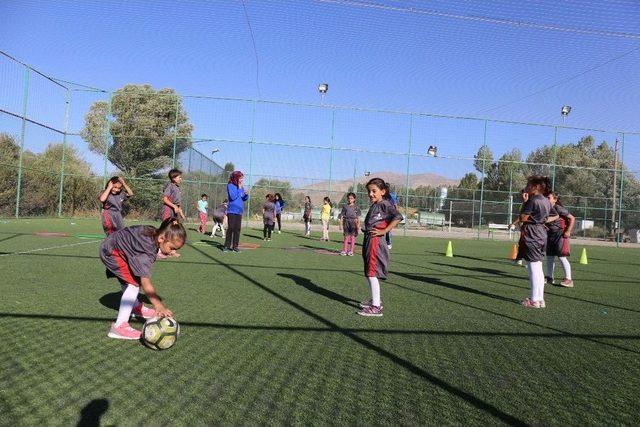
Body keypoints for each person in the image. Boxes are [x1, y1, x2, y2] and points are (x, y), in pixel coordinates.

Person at [101, 218, 186, 340]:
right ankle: (119, 327)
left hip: (117, 246)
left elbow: (147, 248)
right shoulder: (145, 253)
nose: (173, 251)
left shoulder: (154, 233)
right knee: (134, 284)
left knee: (130, 279)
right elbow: (145, 282)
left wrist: (167, 252)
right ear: (162, 238)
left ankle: (135, 306)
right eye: (172, 248)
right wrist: (159, 306)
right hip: (111, 252)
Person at [358, 178, 403, 317]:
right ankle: (375, 299)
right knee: (369, 271)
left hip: (375, 242)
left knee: (372, 272)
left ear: (383, 191)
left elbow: (398, 217)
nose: (371, 194)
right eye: (369, 191)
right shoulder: (375, 204)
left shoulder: (385, 204)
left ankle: (376, 307)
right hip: (369, 240)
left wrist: (384, 231)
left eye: (374, 191)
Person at [520, 175, 552, 309]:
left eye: (529, 185)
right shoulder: (546, 201)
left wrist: (524, 202)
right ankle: (540, 299)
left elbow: (523, 217)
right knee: (538, 266)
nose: (527, 187)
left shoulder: (532, 200)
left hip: (532, 233)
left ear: (536, 187)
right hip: (541, 234)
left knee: (532, 267)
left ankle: (533, 300)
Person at [545, 192, 575, 287]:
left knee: (562, 257)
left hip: (560, 234)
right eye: (546, 197)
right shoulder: (545, 208)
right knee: (549, 257)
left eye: (549, 197)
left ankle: (569, 279)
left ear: (555, 199)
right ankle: (549, 277)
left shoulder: (558, 208)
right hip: (550, 235)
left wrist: (568, 231)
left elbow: (572, 218)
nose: (547, 199)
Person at [224, 170, 248, 252]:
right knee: (231, 228)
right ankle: (226, 246)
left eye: (242, 178)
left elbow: (243, 198)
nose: (242, 180)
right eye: (240, 178)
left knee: (237, 229)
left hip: (239, 211)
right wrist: (239, 188)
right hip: (232, 210)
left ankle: (235, 246)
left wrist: (246, 195)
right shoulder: (230, 185)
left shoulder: (241, 186)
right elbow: (233, 196)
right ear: (236, 178)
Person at [509, 189, 529, 266]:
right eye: (522, 194)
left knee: (526, 244)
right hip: (523, 227)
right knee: (522, 243)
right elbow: (521, 216)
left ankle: (529, 262)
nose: (522, 195)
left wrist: (513, 223)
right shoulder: (523, 204)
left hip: (528, 227)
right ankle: (519, 259)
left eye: (524, 193)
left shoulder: (528, 204)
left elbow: (523, 217)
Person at [339, 192, 361, 256]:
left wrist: (358, 225)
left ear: (354, 199)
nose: (350, 200)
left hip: (353, 223)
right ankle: (344, 250)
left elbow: (358, 217)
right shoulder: (345, 206)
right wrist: (340, 224)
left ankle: (351, 251)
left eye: (351, 198)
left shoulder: (357, 207)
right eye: (349, 198)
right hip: (346, 222)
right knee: (346, 237)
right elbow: (342, 216)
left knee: (352, 237)